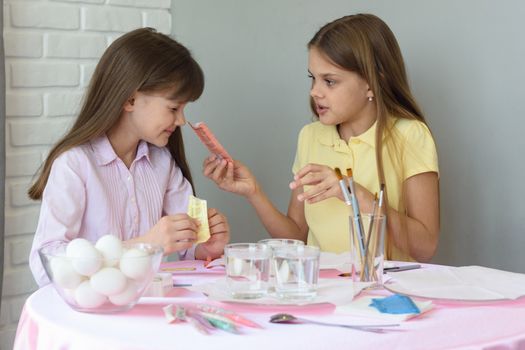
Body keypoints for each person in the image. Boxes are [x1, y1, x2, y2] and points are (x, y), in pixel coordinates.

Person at [203, 14, 439, 262]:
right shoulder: (311, 136)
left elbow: (425, 247)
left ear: (371, 84)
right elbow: (296, 238)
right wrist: (254, 192)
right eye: (312, 78)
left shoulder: (410, 136)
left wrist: (353, 193)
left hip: (384, 292)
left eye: (330, 81)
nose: (315, 91)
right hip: (324, 290)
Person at [28, 28, 230, 286]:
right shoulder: (75, 164)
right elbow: (45, 265)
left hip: (147, 308)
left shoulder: (162, 164)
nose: (181, 120)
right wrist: (143, 246)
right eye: (173, 108)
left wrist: (207, 247)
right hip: (92, 317)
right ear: (130, 99)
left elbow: (187, 246)